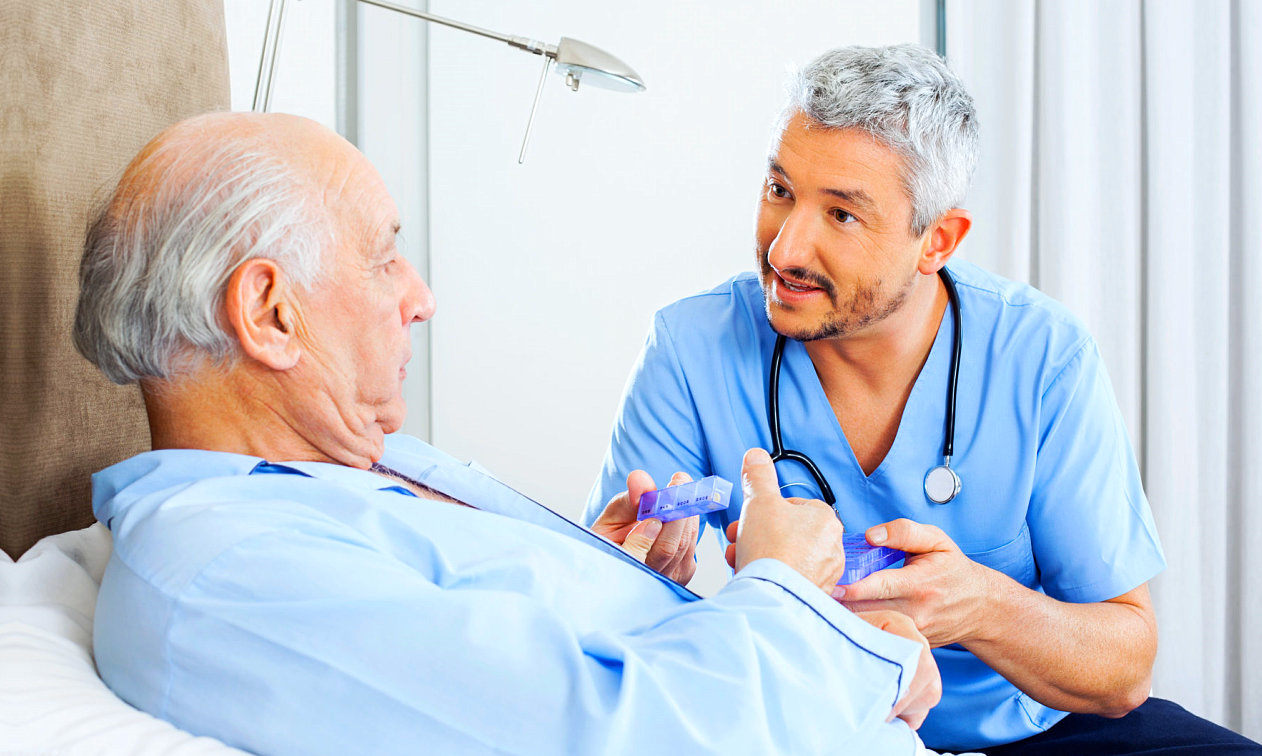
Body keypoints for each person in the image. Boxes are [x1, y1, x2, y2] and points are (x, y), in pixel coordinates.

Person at [73, 111, 946, 755]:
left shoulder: (344, 469)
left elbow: (522, 672)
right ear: (269, 313)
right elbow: (634, 738)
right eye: (383, 257)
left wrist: (598, 575)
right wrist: (786, 582)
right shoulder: (227, 575)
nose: (420, 297)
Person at [584, 44, 1262, 755]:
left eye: (843, 216)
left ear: (936, 240)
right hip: (805, 726)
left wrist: (979, 605)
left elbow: (1123, 669)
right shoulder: (691, 345)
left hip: (1031, 736)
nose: (785, 249)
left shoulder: (1040, 356)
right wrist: (625, 576)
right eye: (779, 191)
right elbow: (597, 632)